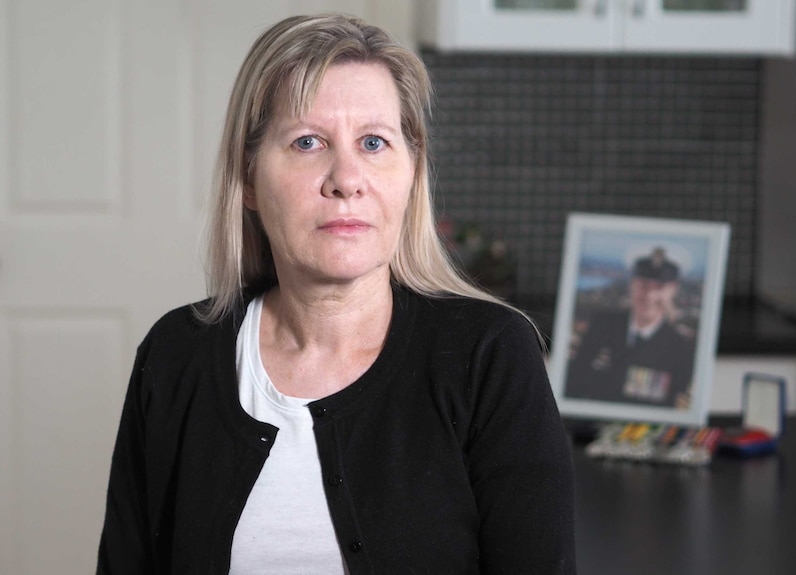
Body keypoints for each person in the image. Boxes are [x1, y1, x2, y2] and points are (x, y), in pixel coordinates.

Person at [97, 13, 576, 574]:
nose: (346, 178)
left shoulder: (490, 356)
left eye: (374, 142)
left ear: (411, 172)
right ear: (249, 178)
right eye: (307, 142)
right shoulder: (175, 355)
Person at [565, 247, 695, 408]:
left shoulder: (680, 348)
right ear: (632, 284)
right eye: (644, 285)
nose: (649, 295)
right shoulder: (602, 326)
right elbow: (574, 380)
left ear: (672, 290)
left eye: (659, 287)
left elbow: (675, 404)